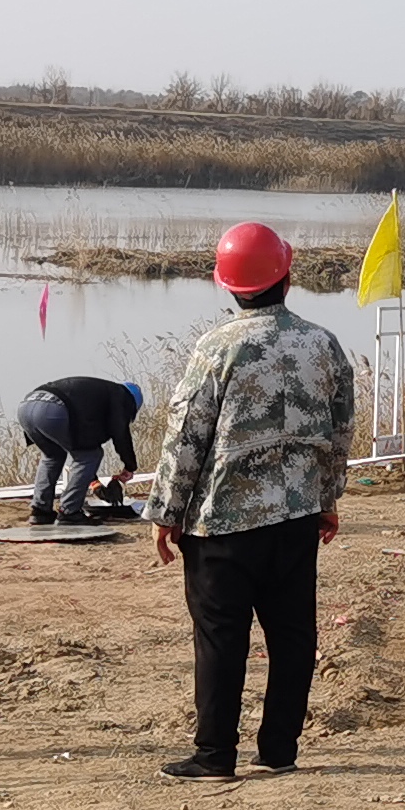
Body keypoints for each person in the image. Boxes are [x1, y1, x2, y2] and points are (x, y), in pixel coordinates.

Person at [145, 221, 355, 780]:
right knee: (293, 636)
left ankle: (215, 755)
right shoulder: (323, 344)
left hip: (223, 523)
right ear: (286, 278)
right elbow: (340, 431)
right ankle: (279, 751)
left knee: (221, 637)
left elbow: (187, 434)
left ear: (228, 285)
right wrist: (328, 498)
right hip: (296, 517)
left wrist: (166, 511)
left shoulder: (218, 347)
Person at [18, 374, 146, 525]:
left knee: (53, 456)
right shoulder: (121, 396)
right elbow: (120, 432)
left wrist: (94, 482)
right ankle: (69, 512)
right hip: (54, 409)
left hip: (26, 408)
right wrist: (130, 466)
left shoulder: (97, 394)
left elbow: (84, 440)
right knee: (91, 455)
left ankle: (40, 511)